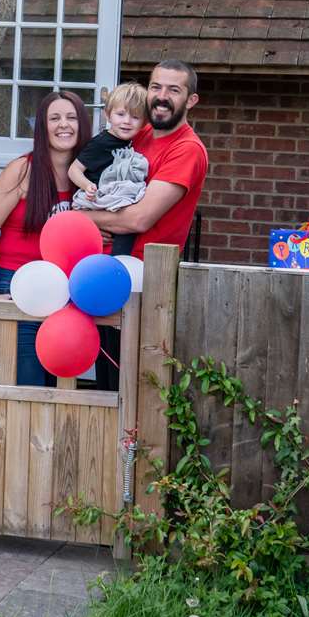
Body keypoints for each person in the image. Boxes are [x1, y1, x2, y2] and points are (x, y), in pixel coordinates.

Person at [86, 61, 209, 390]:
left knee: (131, 386)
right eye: (156, 87)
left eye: (174, 90)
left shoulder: (187, 149)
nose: (162, 96)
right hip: (104, 272)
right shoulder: (135, 135)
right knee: (107, 378)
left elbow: (139, 218)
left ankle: (128, 444)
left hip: (142, 282)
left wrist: (77, 220)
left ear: (191, 101)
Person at [0, 90, 91, 387]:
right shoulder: (22, 170)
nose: (64, 125)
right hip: (17, 286)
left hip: (65, 293)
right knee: (27, 383)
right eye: (55, 118)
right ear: (42, 127)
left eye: (71, 117)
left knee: (55, 385)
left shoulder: (91, 178)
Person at [70, 81, 149, 258]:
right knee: (123, 237)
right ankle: (118, 264)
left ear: (144, 123)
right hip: (96, 201)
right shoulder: (101, 143)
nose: (127, 122)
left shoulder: (129, 141)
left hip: (113, 201)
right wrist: (87, 185)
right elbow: (74, 169)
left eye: (135, 117)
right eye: (120, 114)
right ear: (108, 115)